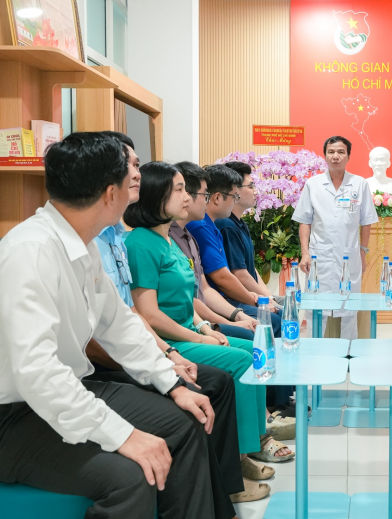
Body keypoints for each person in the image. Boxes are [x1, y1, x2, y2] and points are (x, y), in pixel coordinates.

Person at [0, 132, 222, 518]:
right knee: (131, 474)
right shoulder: (30, 252)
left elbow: (119, 325)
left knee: (185, 419)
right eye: (130, 171)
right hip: (2, 424)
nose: (138, 178)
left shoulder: (83, 244)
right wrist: (124, 436)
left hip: (62, 393)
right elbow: (38, 373)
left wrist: (173, 382)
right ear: (109, 194)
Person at [85, 132, 255, 512]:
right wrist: (169, 356)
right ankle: (229, 481)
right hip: (100, 366)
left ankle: (229, 478)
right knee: (212, 387)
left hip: (145, 347)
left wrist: (175, 351)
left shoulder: (116, 238)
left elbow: (133, 313)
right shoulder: (120, 242)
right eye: (181, 189)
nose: (137, 176)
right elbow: (139, 316)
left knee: (210, 385)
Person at [123, 162, 293, 497]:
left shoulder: (169, 241)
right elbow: (149, 315)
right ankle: (238, 463)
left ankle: (252, 442)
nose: (187, 197)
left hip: (190, 330)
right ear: (156, 195)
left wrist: (206, 324)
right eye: (179, 189)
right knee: (244, 361)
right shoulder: (141, 243)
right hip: (170, 340)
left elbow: (191, 297)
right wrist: (200, 335)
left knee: (253, 349)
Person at [215, 160, 296, 413]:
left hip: (244, 295)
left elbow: (250, 271)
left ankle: (284, 393)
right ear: (234, 192)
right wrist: (262, 301)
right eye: (250, 186)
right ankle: (274, 401)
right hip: (231, 300)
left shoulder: (239, 223)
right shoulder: (225, 225)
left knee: (284, 311)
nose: (256, 191)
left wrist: (270, 296)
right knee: (274, 320)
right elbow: (238, 275)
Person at [292, 135, 379, 339]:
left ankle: (348, 352)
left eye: (341, 152)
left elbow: (366, 222)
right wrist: (305, 253)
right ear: (325, 156)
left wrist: (363, 253)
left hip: (349, 255)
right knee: (316, 307)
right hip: (318, 256)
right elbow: (305, 221)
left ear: (348, 156)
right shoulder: (313, 184)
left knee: (349, 307)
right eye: (331, 152)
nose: (335, 156)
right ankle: (315, 351)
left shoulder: (359, 184)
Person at [186, 164, 282, 336]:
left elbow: (247, 270)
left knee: (279, 312)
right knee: (271, 320)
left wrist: (263, 298)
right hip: (219, 302)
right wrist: (255, 302)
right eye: (234, 195)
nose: (236, 200)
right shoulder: (202, 226)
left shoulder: (212, 225)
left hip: (220, 301)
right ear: (217, 198)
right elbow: (225, 278)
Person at [170, 161, 257, 342]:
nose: (207, 200)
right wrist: (231, 320)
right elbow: (222, 278)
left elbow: (204, 290)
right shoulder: (194, 229)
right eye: (205, 194)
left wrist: (236, 316)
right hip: (191, 324)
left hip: (201, 318)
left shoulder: (189, 234)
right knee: (256, 334)